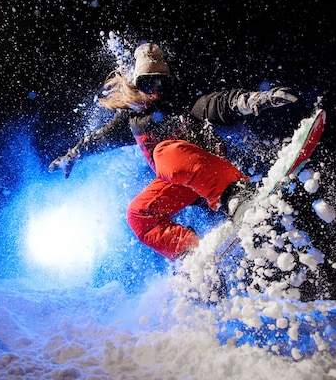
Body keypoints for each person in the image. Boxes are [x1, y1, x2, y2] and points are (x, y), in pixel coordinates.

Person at [49, 43, 299, 261]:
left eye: (161, 82)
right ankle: (190, 256)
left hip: (209, 170)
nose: (155, 90)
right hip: (181, 181)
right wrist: (72, 155)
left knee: (164, 153)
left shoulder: (181, 101)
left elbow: (219, 103)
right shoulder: (133, 119)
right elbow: (100, 139)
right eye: (148, 83)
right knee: (138, 214)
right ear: (137, 83)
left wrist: (254, 100)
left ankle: (236, 195)